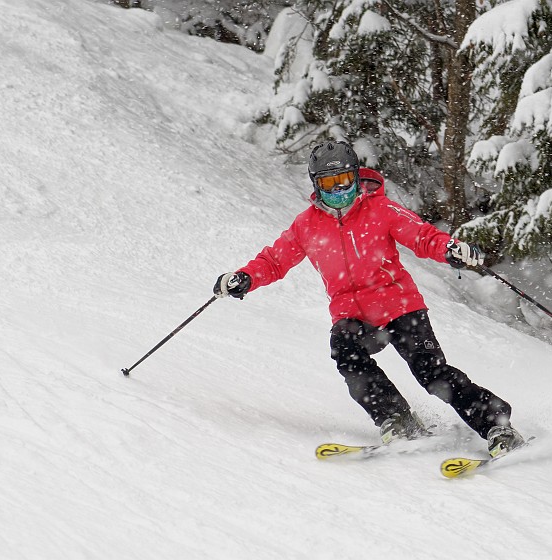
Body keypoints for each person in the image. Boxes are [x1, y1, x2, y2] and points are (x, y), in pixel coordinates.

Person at [214, 141, 524, 457]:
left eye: (344, 181)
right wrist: (245, 278)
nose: (338, 190)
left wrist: (449, 249)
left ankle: (498, 425)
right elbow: (274, 260)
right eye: (329, 183)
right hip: (353, 316)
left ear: (356, 177)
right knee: (345, 351)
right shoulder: (306, 225)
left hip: (400, 307)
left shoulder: (380, 210)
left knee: (432, 374)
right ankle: (397, 419)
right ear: (316, 184)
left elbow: (422, 236)